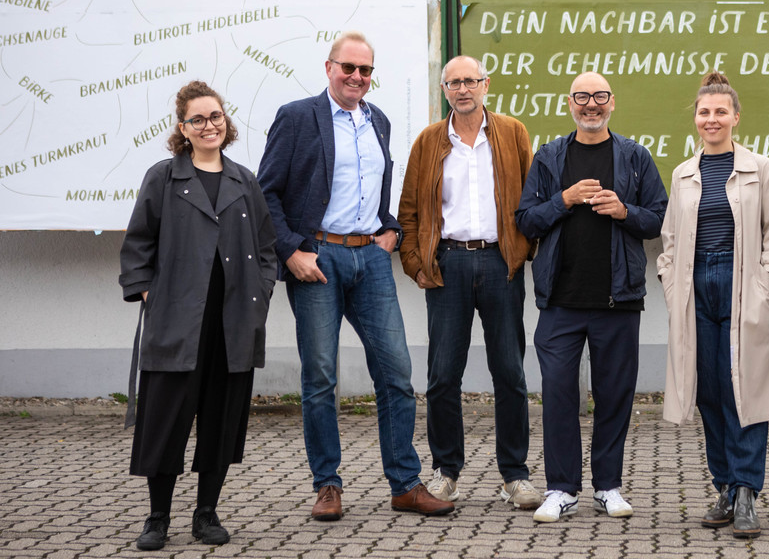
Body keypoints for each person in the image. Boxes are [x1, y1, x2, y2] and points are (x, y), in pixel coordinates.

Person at [257, 31, 453, 520]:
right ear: (329, 68)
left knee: (396, 373)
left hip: (369, 260)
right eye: (349, 68)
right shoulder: (298, 117)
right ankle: (327, 485)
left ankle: (405, 484)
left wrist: (389, 230)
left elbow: (370, 190)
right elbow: (266, 194)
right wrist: (291, 252)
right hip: (317, 259)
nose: (357, 78)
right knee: (321, 377)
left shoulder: (378, 120)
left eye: (366, 71)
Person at [119, 80, 276, 551]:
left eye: (216, 117)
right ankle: (157, 518)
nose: (209, 125)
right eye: (198, 119)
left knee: (221, 421)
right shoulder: (164, 177)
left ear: (225, 122)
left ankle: (206, 513)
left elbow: (267, 248)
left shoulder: (244, 180)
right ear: (182, 128)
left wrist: (261, 293)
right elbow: (138, 242)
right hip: (177, 321)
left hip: (231, 324)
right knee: (164, 421)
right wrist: (147, 292)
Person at [515, 71, 668, 523]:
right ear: (570, 104)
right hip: (560, 301)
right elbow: (526, 220)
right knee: (559, 396)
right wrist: (563, 199)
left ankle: (608, 486)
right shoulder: (548, 157)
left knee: (614, 397)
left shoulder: (635, 156)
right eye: (582, 97)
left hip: (618, 301)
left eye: (599, 96)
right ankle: (562, 489)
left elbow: (657, 218)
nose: (591, 104)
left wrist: (624, 211)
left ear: (612, 103)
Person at [657, 72, 769, 539]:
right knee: (710, 393)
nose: (712, 119)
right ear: (696, 119)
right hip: (696, 288)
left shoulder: (762, 168)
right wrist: (671, 284)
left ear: (736, 117)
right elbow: (670, 240)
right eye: (705, 112)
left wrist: (762, 287)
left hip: (743, 287)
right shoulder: (683, 174)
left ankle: (746, 493)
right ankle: (724, 485)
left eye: (721, 111)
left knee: (746, 393)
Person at [397, 55, 541, 509]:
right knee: (442, 376)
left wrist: (523, 251)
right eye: (454, 82)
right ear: (444, 89)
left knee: (510, 373)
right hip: (448, 266)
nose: (463, 89)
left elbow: (531, 197)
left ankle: (515, 475)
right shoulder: (428, 141)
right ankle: (446, 473)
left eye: (471, 81)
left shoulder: (513, 133)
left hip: (500, 264)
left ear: (486, 84)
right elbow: (409, 210)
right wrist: (417, 263)